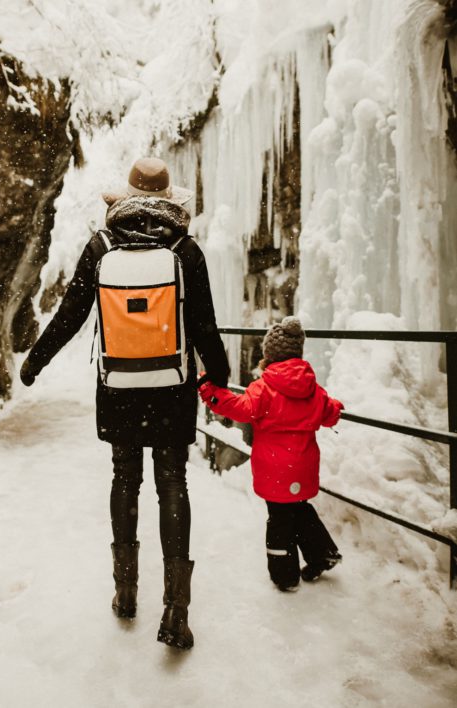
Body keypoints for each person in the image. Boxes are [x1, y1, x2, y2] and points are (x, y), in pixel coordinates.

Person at [20, 157, 230, 648]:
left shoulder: (102, 245)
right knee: (173, 482)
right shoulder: (185, 249)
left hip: (119, 388)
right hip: (173, 386)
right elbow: (204, 326)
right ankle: (176, 610)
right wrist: (218, 378)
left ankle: (126, 594)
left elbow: (69, 315)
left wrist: (34, 363)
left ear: (125, 197)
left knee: (125, 480)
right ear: (168, 199)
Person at [198, 316, 343, 592]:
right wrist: (336, 408)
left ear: (269, 355)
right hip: (303, 465)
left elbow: (239, 408)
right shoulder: (313, 388)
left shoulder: (263, 388)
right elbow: (329, 412)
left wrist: (211, 393)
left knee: (279, 520)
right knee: (299, 508)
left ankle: (285, 576)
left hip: (275, 468)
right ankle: (321, 552)